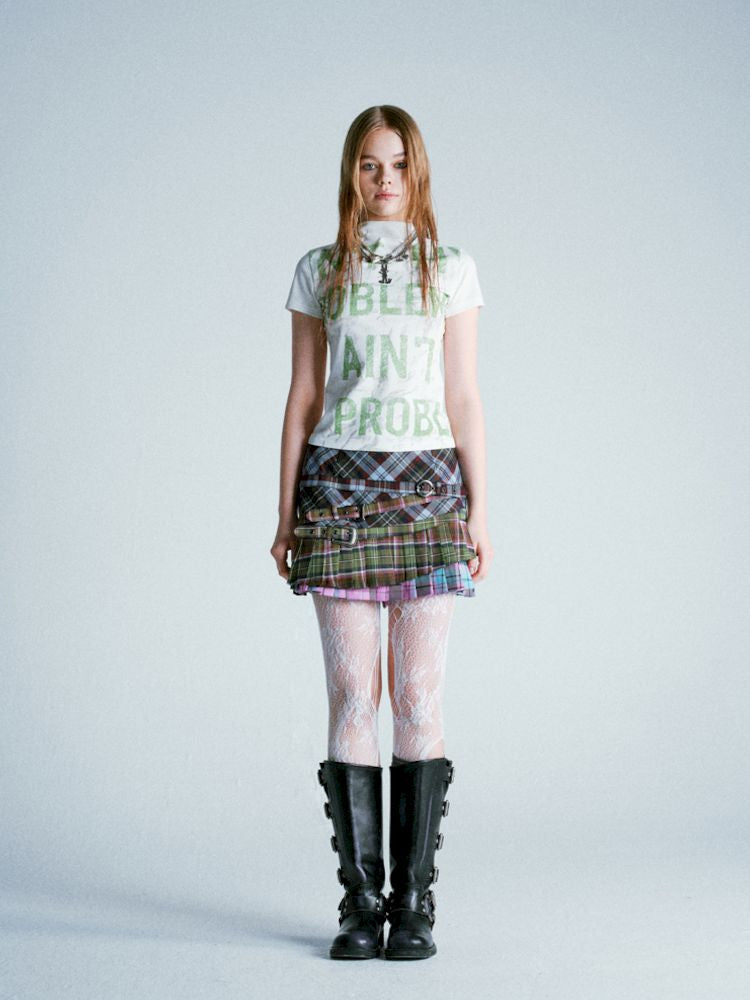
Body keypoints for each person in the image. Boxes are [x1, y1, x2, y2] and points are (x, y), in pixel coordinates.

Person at [271, 105, 493, 961]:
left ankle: (415, 904)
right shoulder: (320, 269)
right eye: (369, 164)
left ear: (418, 171)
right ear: (351, 173)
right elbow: (302, 397)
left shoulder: (451, 269)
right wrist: (285, 514)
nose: (385, 179)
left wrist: (481, 511)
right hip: (337, 491)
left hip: (429, 492)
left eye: (398, 164)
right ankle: (361, 905)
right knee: (351, 697)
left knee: (418, 700)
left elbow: (464, 396)